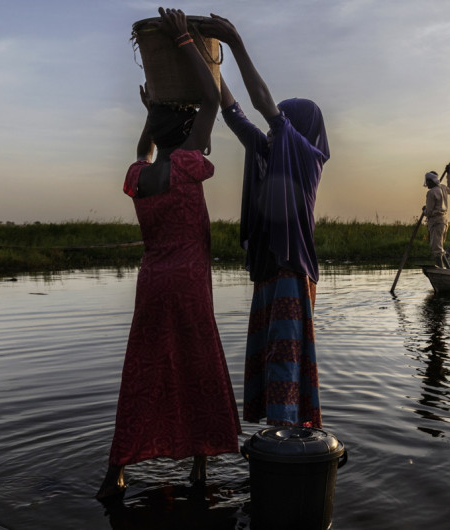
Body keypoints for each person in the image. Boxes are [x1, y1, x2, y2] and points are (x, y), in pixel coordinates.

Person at [97, 7, 241, 501]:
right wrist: (184, 40)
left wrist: (150, 111)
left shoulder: (140, 178)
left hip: (151, 284)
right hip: (187, 285)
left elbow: (144, 150)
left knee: (143, 371)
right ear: (184, 136)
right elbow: (211, 99)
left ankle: (116, 470)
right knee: (198, 366)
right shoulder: (186, 165)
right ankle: (200, 467)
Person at [201, 13, 327, 428]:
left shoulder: (306, 158)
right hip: (269, 271)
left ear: (298, 130)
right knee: (270, 356)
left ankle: (287, 443)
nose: (273, 131)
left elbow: (261, 106)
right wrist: (207, 61)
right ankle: (280, 436)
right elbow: (235, 113)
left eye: (283, 125)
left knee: (283, 361)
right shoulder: (268, 150)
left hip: (291, 271)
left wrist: (236, 42)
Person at [423, 166, 450, 268]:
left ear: (431, 181)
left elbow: (429, 211)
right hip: (444, 221)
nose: (427, 184)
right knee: (440, 248)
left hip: (436, 222)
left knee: (436, 248)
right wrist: (449, 174)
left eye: (428, 181)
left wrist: (424, 210)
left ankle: (441, 269)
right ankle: (448, 268)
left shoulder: (431, 193)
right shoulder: (443, 188)